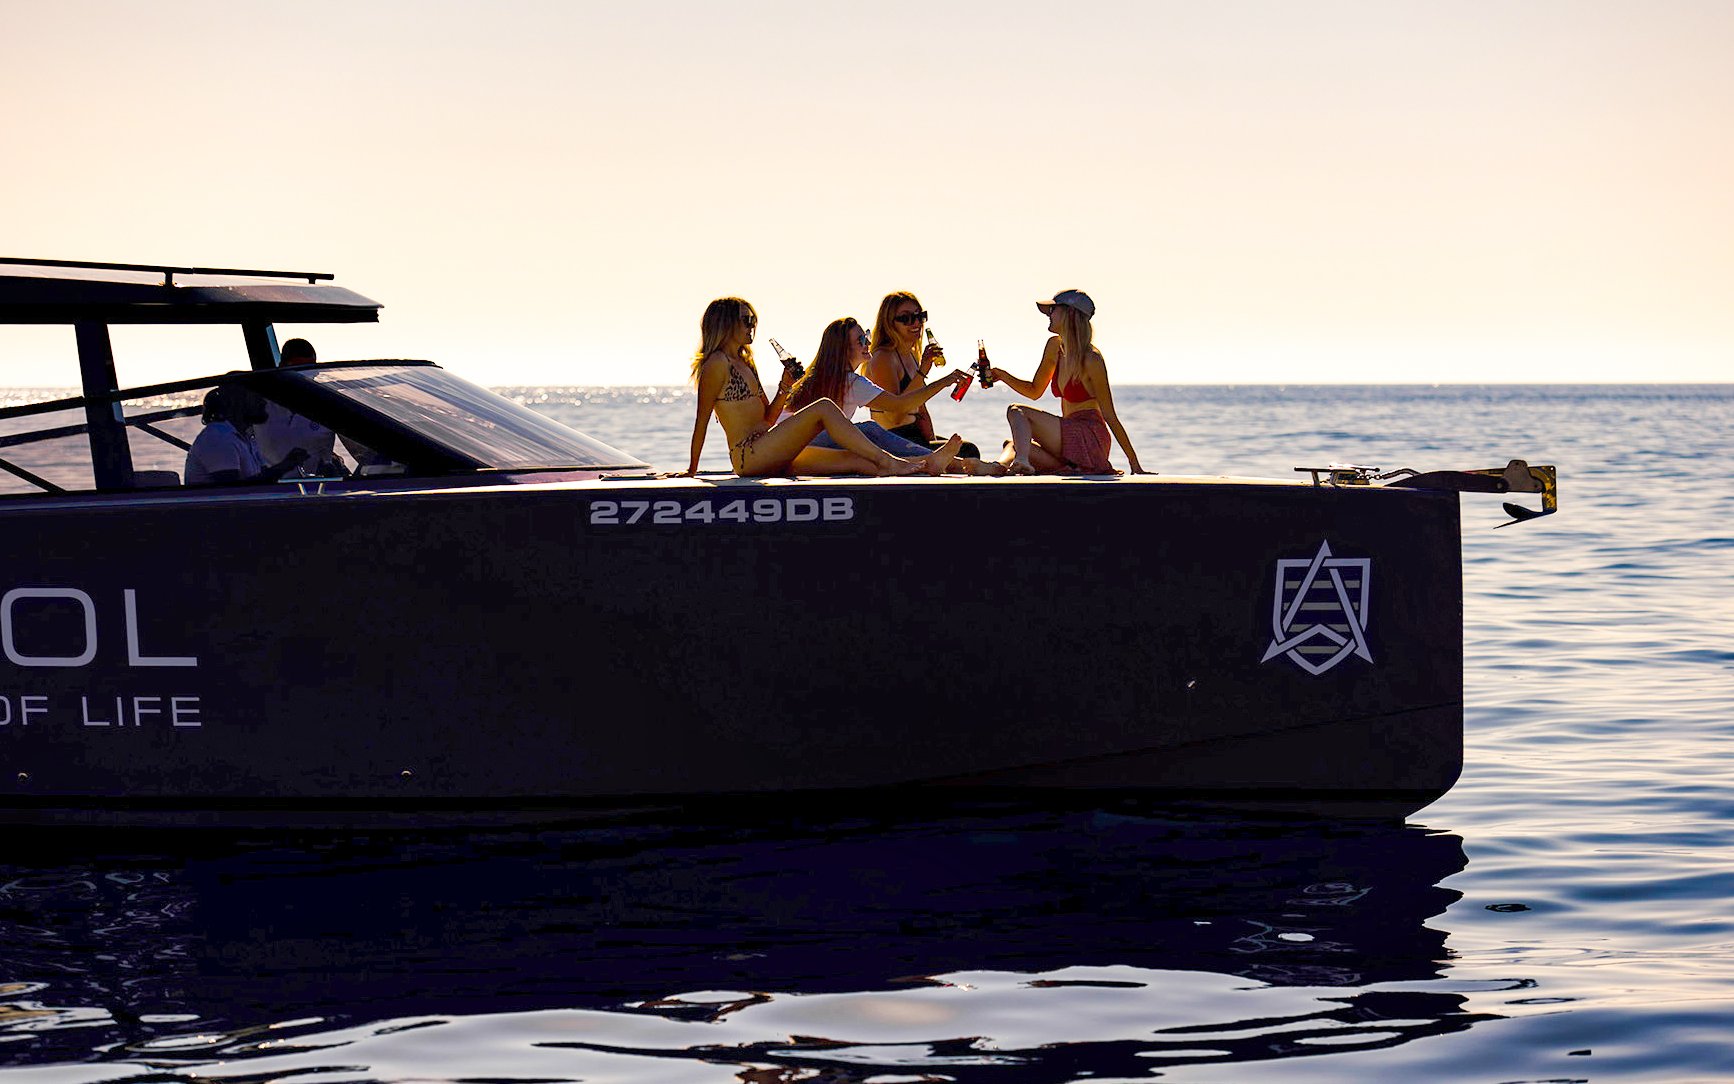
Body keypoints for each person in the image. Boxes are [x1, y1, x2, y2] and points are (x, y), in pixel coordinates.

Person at [683, 297, 928, 478]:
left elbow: (768, 419)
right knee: (824, 407)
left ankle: (920, 465)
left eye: (753, 320)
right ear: (726, 324)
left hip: (770, 445)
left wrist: (784, 387)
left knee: (858, 461)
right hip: (748, 455)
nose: (752, 326)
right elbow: (701, 420)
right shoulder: (716, 364)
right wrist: (692, 470)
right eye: (746, 320)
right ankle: (891, 461)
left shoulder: (745, 362)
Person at [781, 317, 975, 475]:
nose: (869, 343)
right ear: (844, 350)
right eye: (861, 341)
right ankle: (957, 464)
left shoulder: (819, 375)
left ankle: (936, 463)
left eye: (867, 336)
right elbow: (899, 405)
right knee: (869, 431)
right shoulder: (848, 381)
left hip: (787, 447)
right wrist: (944, 381)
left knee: (864, 449)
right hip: (798, 446)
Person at [987, 289, 1148, 476]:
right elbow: (1034, 391)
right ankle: (996, 467)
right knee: (1014, 444)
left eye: (1053, 310)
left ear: (1070, 313)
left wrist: (1134, 463)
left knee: (1016, 411)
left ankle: (1021, 462)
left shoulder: (1091, 360)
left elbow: (1110, 416)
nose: (1049, 315)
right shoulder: (1054, 347)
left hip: (1089, 438)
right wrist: (1003, 376)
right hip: (1068, 439)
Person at [860, 292, 982, 458]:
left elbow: (921, 410)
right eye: (906, 318)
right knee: (968, 452)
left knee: (964, 448)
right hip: (892, 440)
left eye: (920, 316)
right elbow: (895, 415)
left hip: (913, 435)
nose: (916, 322)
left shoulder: (910, 356)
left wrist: (932, 442)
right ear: (889, 323)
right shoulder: (883, 357)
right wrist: (927, 374)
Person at [184, 384, 309, 485]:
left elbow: (259, 476)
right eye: (257, 397)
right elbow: (233, 490)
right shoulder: (218, 437)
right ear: (239, 402)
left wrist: (289, 463)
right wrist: (285, 466)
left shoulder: (243, 436)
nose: (264, 403)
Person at [256, 338, 343, 475]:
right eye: (298, 371)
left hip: (320, 489)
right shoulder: (258, 407)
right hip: (269, 490)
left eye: (310, 370)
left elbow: (359, 446)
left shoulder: (328, 406)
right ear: (282, 367)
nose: (305, 377)